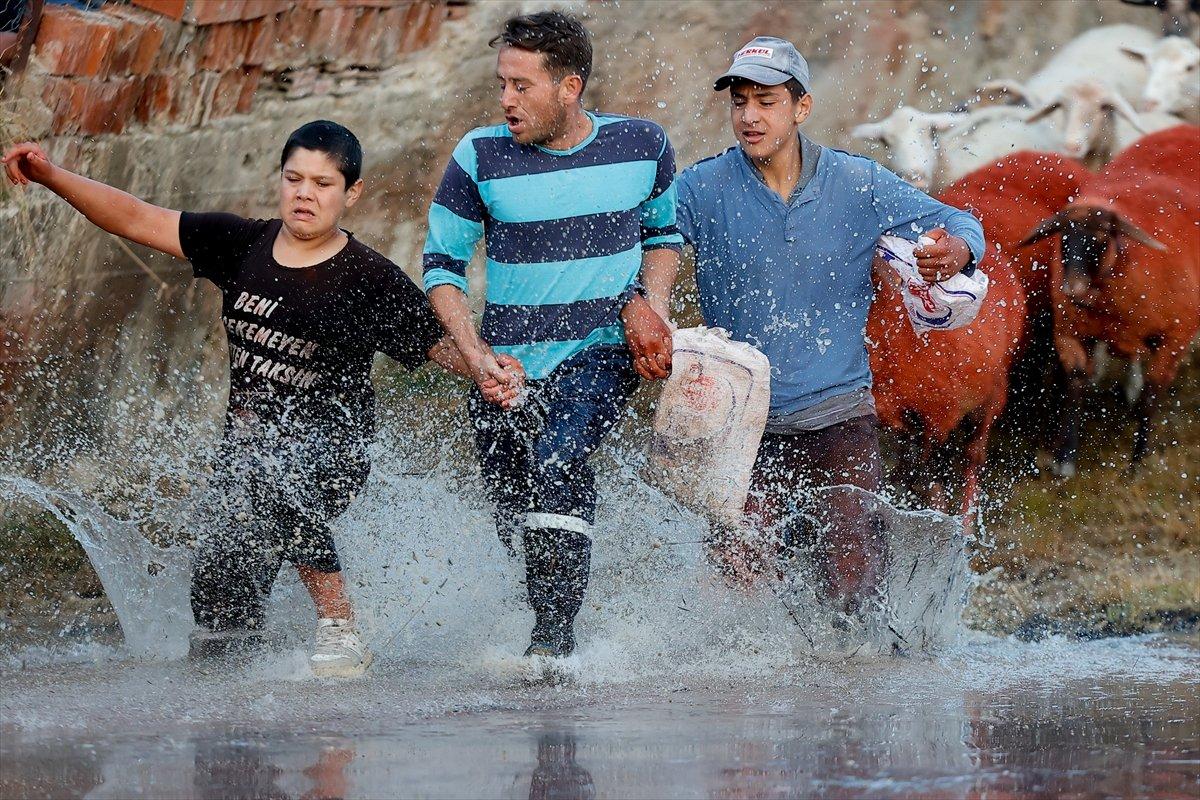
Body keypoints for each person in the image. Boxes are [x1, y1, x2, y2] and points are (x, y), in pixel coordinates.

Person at [3, 120, 521, 676]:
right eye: (294, 179)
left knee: (275, 473)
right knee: (219, 603)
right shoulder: (241, 244)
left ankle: (340, 625)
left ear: (351, 194)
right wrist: (51, 176)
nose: (305, 194)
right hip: (247, 450)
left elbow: (439, 344)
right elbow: (135, 217)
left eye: (322, 184)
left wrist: (489, 370)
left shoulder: (368, 278)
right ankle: (240, 695)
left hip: (335, 448)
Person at [675, 38, 985, 615]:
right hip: (741, 420)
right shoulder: (702, 189)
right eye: (739, 102)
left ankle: (860, 661)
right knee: (738, 585)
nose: (749, 116)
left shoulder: (856, 182)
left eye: (766, 101)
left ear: (802, 107)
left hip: (838, 413)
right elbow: (651, 239)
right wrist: (646, 308)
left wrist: (960, 250)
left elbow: (956, 219)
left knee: (852, 584)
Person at [423, 10, 681, 658]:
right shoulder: (478, 155)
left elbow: (662, 236)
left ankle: (553, 646)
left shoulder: (642, 145)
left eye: (522, 86)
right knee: (515, 514)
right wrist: (476, 357)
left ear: (569, 87)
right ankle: (552, 614)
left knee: (559, 461)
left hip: (600, 350)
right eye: (502, 84)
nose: (506, 100)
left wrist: (651, 306)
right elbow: (442, 268)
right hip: (507, 366)